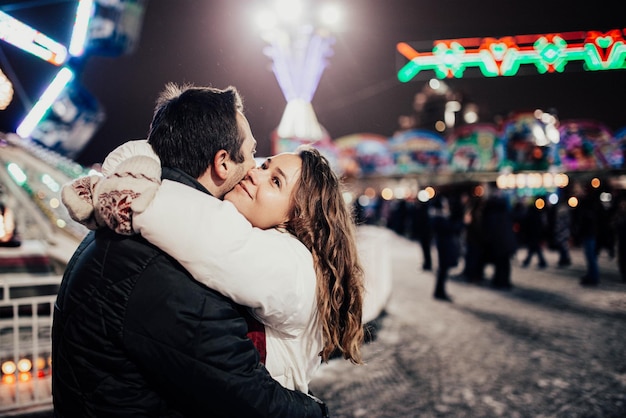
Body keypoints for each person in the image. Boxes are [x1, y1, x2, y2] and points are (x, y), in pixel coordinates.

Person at [53, 83, 330, 417]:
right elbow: (244, 396)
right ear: (223, 163)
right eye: (254, 155)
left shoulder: (117, 225)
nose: (255, 169)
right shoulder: (172, 266)